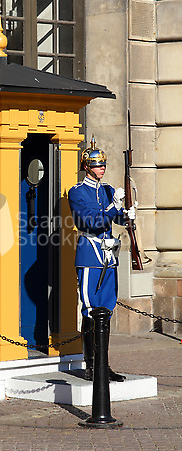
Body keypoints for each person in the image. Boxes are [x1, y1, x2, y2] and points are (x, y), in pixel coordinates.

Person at [68, 136, 136, 382]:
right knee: (91, 309)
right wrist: (111, 208)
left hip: (109, 254)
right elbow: (90, 221)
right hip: (90, 253)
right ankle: (91, 366)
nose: (102, 168)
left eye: (104, 164)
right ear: (87, 167)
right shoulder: (77, 192)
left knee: (106, 309)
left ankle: (103, 365)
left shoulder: (107, 190)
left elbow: (117, 219)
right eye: (98, 165)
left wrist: (127, 213)